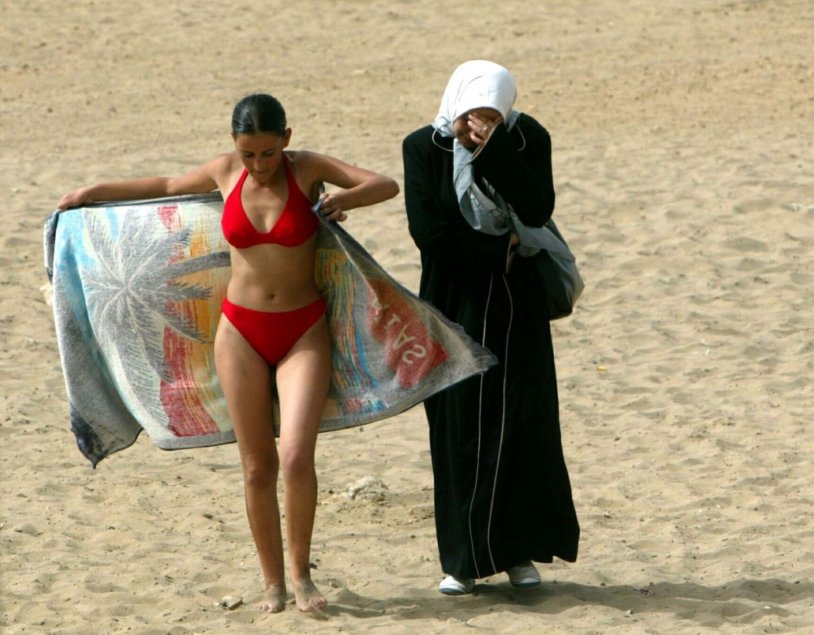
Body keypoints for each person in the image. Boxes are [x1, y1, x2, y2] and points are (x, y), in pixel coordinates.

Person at [58, 93, 399, 613]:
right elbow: (167, 187)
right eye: (248, 154)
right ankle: (272, 583)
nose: (259, 166)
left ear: (285, 139)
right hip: (239, 332)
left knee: (297, 456)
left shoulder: (306, 169)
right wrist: (93, 190)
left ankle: (301, 575)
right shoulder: (225, 172)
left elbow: (384, 183)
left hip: (303, 330)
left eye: (267, 153)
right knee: (257, 466)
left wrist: (341, 202)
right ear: (234, 148)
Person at [401, 61, 579, 595]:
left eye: (490, 117)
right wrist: (498, 248)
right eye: (472, 116)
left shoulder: (526, 138)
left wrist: (494, 150)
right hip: (453, 305)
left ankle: (519, 554)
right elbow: (430, 233)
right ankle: (462, 560)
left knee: (522, 424)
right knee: (458, 428)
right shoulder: (422, 147)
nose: (476, 125)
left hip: (516, 305)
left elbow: (537, 206)